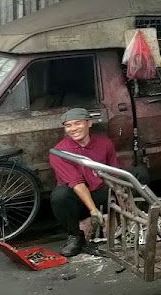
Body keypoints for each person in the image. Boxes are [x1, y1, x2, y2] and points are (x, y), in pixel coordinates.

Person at [49, 108, 120, 257]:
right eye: (68, 125)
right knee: (59, 195)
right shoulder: (59, 152)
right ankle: (75, 237)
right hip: (78, 201)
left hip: (100, 192)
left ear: (89, 123)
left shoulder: (104, 142)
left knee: (138, 175)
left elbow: (115, 173)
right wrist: (93, 210)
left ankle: (130, 227)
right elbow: (77, 184)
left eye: (78, 123)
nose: (73, 129)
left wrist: (122, 197)